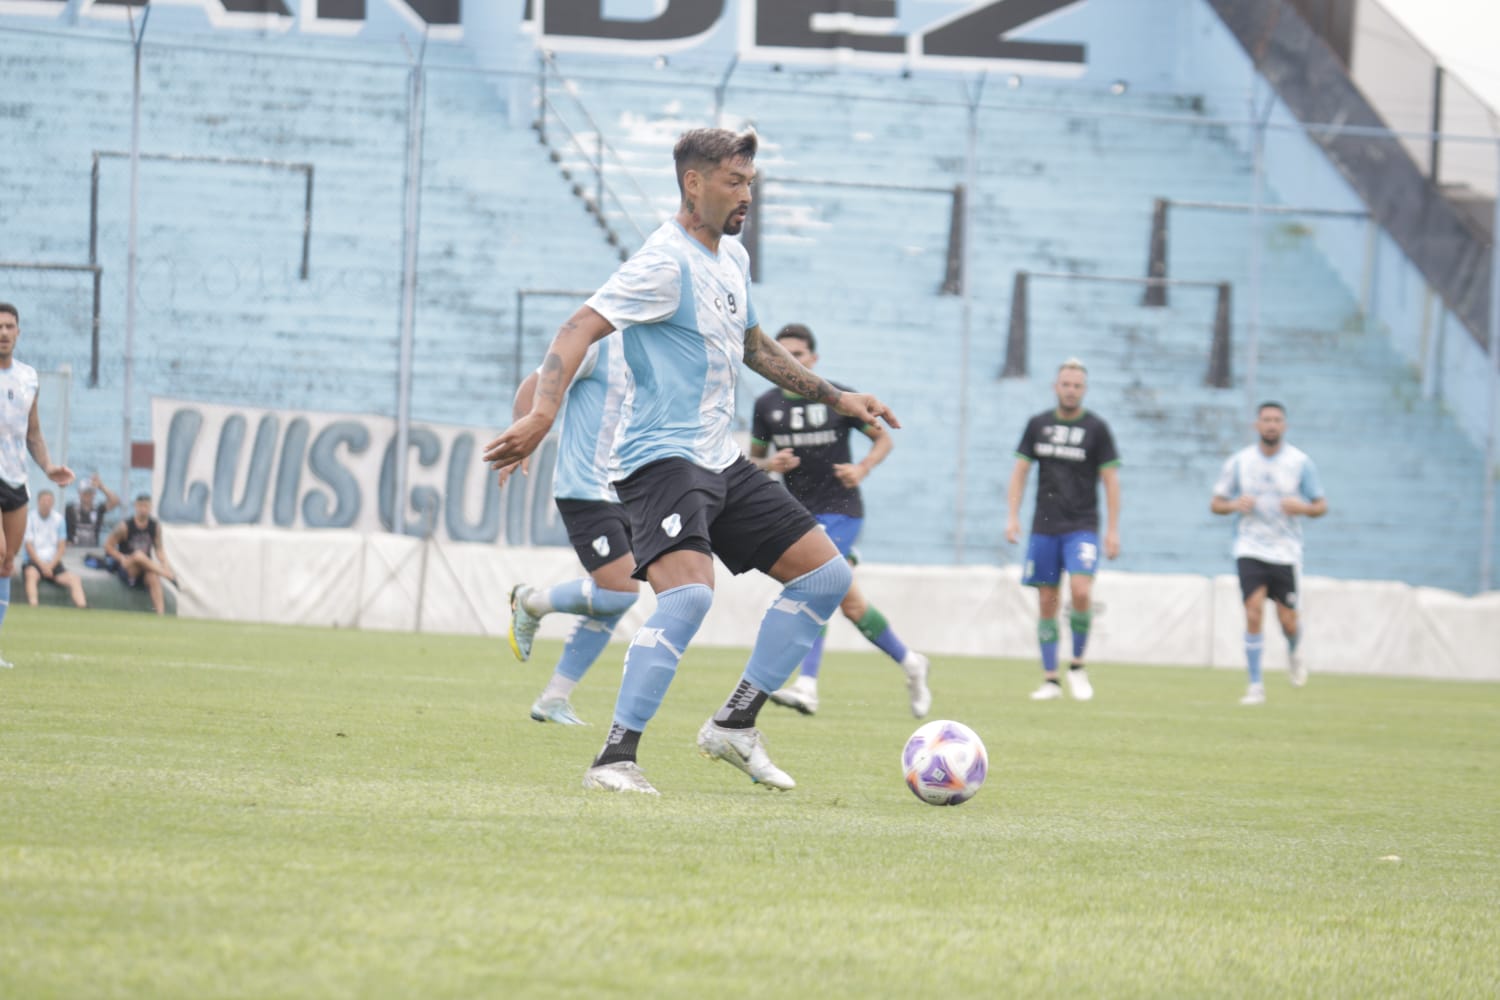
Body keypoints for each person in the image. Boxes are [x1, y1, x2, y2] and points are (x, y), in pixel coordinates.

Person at [483, 127, 899, 795]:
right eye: (734, 182)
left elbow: (758, 349)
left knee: (825, 578)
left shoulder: (730, 260)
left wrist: (836, 396)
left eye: (751, 183)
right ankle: (614, 760)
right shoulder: (662, 262)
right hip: (660, 460)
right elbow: (577, 327)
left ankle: (735, 724)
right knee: (688, 598)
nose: (746, 195)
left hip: (720, 460)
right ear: (693, 184)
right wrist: (541, 415)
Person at [748, 323, 931, 718]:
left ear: (813, 359)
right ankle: (911, 661)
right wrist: (770, 464)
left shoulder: (837, 395)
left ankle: (807, 687)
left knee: (818, 586)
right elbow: (752, 462)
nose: (792, 361)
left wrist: (862, 469)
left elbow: (883, 438)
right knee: (850, 604)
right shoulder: (766, 405)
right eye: (785, 354)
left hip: (841, 510)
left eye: (799, 355)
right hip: (797, 516)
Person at [503, 332, 639, 725]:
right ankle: (531, 602)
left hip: (632, 491)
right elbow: (533, 387)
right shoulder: (600, 345)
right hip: (586, 488)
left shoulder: (663, 349)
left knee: (613, 601)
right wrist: (521, 437)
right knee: (620, 591)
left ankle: (554, 698)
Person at [1004, 358, 1121, 702]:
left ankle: (1078, 666)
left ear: (1084, 390)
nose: (1071, 390)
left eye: (1077, 385)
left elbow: (1111, 482)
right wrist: (1012, 516)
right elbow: (1020, 472)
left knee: (1082, 591)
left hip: (1082, 525)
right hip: (1045, 526)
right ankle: (1051, 679)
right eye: (1066, 384)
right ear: (1056, 387)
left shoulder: (1097, 429)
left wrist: (1113, 530)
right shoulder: (1037, 425)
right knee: (1047, 600)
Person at [1210, 401, 1327, 706]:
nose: (1271, 425)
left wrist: (1303, 507)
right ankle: (1255, 685)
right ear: (1257, 425)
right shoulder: (1240, 462)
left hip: (1286, 552)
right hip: (1249, 547)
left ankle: (1294, 650)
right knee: (1253, 610)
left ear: (1284, 425)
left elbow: (1320, 505)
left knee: (1287, 620)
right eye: (1266, 420)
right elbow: (1216, 502)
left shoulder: (1300, 463)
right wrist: (1236, 504)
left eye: (1277, 420)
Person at [0, 302, 76, 668]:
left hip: (16, 480)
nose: (3, 332)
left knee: (7, 563)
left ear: (18, 332)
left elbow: (33, 433)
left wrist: (48, 467)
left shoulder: (29, 378)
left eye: (9, 326)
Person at [104, 493, 177, 615]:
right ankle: (167, 575)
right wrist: (121, 558)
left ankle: (161, 615)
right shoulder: (125, 526)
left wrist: (165, 564)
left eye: (146, 506)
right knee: (138, 555)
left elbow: (159, 549)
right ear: (136, 506)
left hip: (146, 567)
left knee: (153, 576)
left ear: (150, 508)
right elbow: (108, 546)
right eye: (141, 506)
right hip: (129, 566)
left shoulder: (155, 526)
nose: (143, 510)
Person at [24, 489, 87, 608]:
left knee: (74, 579)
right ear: (38, 502)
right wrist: (42, 566)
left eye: (49, 501)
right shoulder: (30, 518)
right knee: (31, 574)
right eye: (44, 500)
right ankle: (33, 606)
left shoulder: (59, 519)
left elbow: (61, 547)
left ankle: (82, 607)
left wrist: (50, 566)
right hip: (35, 562)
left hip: (53, 563)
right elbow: (28, 546)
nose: (47, 503)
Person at [65, 473, 121, 547]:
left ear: (94, 494)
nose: (87, 495)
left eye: (90, 493)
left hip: (92, 549)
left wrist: (101, 486)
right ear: (79, 493)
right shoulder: (70, 509)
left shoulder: (98, 509)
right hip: (73, 549)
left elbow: (115, 501)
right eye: (85, 493)